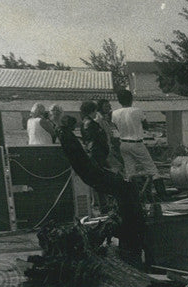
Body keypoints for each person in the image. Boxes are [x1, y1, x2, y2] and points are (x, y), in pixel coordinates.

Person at [57, 114, 146, 266]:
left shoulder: (68, 137)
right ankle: (131, 240)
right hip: (94, 172)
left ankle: (129, 234)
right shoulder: (73, 137)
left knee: (125, 189)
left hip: (92, 172)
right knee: (127, 189)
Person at [112, 89, 166, 200]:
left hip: (123, 143)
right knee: (152, 169)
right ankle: (162, 195)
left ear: (119, 101)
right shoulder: (137, 111)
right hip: (136, 143)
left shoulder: (115, 113)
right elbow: (146, 126)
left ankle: (133, 196)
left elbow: (118, 128)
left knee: (130, 171)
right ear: (131, 99)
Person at [96, 98, 124, 174]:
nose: (109, 108)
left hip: (108, 148)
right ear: (100, 107)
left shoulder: (104, 120)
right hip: (104, 150)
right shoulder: (98, 120)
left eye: (109, 106)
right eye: (106, 106)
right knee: (118, 167)